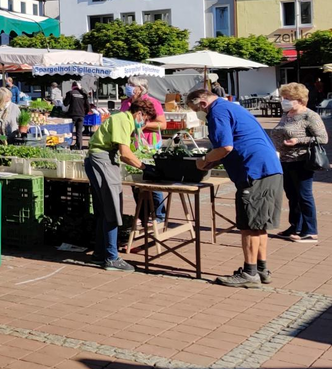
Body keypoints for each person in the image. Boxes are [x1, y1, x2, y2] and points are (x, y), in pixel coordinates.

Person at [188, 88, 284, 288]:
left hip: (254, 171)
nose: (200, 114)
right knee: (259, 224)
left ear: (202, 103)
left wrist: (204, 160)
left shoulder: (218, 112)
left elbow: (225, 147)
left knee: (248, 225)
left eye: (195, 109)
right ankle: (261, 269)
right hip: (269, 168)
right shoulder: (231, 107)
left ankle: (249, 273)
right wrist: (213, 162)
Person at [85, 96, 160, 272]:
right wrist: (144, 167)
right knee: (112, 209)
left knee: (104, 211)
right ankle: (111, 258)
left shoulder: (124, 119)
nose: (145, 123)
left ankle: (100, 254)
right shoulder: (123, 120)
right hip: (102, 159)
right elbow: (125, 153)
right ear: (140, 114)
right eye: (146, 119)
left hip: (102, 158)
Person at [271, 83, 327, 243]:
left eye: (288, 98)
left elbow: (323, 138)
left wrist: (298, 140)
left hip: (302, 160)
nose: (284, 101)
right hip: (285, 160)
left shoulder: (310, 116)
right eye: (284, 98)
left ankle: (310, 230)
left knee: (304, 195)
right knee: (292, 195)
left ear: (300, 100)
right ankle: (295, 226)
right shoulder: (287, 114)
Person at [121, 77, 167, 229]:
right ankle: (143, 214)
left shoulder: (152, 102)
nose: (128, 87)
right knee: (136, 180)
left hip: (149, 145)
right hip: (132, 145)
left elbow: (162, 124)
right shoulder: (126, 103)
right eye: (128, 84)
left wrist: (143, 125)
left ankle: (159, 215)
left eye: (131, 85)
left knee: (151, 180)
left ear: (140, 88)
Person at [65, 82, 90, 149]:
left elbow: (65, 104)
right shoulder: (84, 94)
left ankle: (68, 145)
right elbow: (88, 107)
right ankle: (79, 147)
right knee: (79, 132)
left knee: (69, 131)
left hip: (72, 115)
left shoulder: (70, 93)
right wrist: (85, 113)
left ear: (72, 86)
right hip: (81, 115)